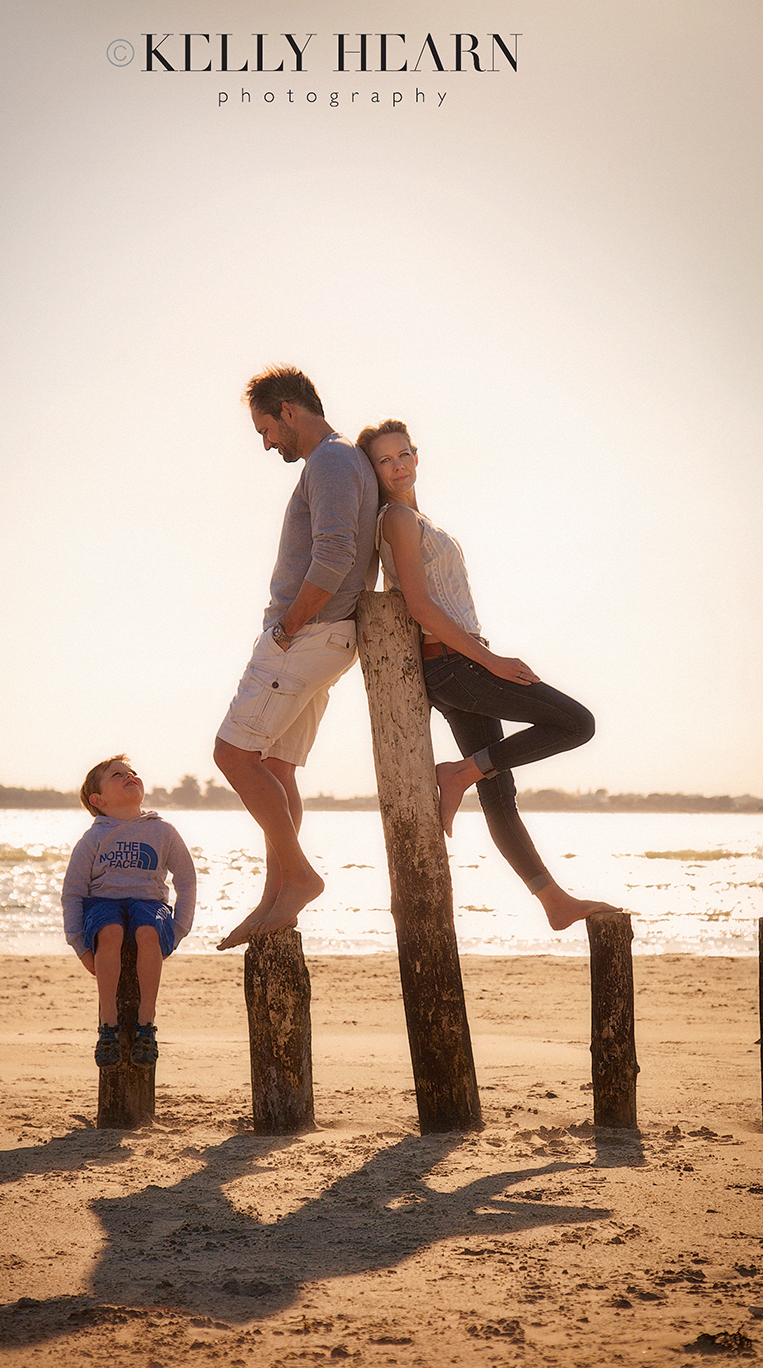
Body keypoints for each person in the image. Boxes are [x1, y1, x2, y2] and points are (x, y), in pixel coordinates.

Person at [355, 419, 617, 931]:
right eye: (384, 461)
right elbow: (422, 607)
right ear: (375, 472)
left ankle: (552, 901)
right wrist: (492, 661)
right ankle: (459, 773)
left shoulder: (416, 519)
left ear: (416, 455)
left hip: (455, 667)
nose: (398, 466)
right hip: (457, 664)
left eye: (403, 454)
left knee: (499, 792)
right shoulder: (398, 521)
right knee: (577, 724)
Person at [214, 365, 379, 949]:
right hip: (326, 638)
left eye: (264, 428)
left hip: (307, 636)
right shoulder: (341, 460)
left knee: (232, 753)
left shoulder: (330, 460)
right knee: (276, 768)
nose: (265, 443)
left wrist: (286, 627)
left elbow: (335, 554)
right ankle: (275, 898)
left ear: (287, 411)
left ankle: (301, 876)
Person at [62, 755, 196, 1067]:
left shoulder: (162, 831)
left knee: (147, 931)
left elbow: (186, 880)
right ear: (99, 799)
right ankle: (108, 1025)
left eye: (132, 772)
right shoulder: (94, 837)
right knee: (111, 932)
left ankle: (146, 1024)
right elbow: (73, 893)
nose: (129, 776)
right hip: (103, 904)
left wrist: (177, 930)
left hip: (150, 904)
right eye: (117, 775)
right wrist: (80, 944)